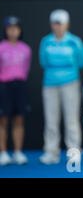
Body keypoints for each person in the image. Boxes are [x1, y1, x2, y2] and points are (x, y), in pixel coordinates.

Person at [39, 9, 83, 164]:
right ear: (51, 25)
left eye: (60, 24)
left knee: (71, 120)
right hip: (49, 84)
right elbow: (43, 61)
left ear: (67, 24)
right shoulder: (46, 41)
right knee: (51, 120)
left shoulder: (75, 41)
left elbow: (81, 61)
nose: (57, 27)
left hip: (70, 83)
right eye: (55, 24)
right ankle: (51, 152)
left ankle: (73, 152)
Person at [0, 17, 31, 165]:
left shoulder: (25, 49)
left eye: (15, 28)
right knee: (3, 120)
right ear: (5, 30)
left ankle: (18, 152)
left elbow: (26, 68)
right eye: (9, 28)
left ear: (20, 30)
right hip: (4, 86)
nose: (13, 31)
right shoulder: (1, 47)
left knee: (19, 119)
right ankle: (4, 153)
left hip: (20, 86)